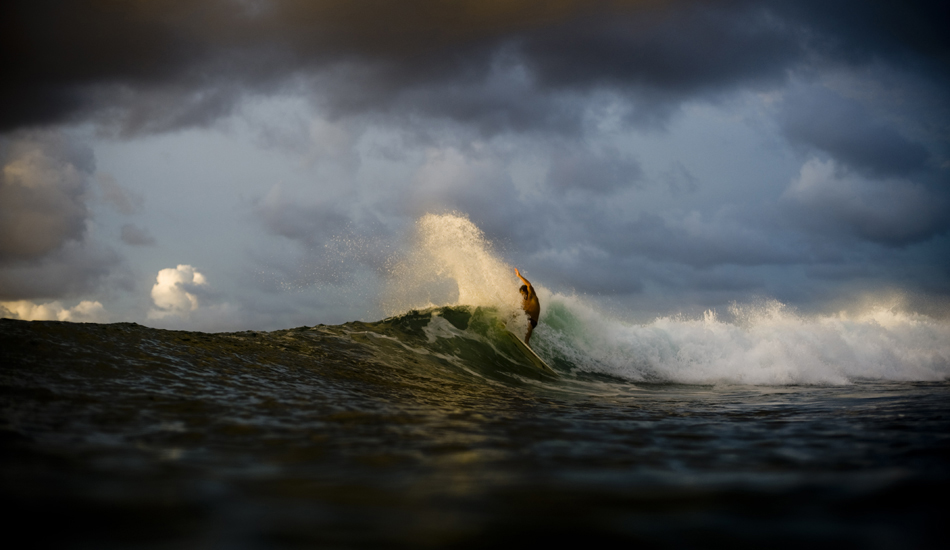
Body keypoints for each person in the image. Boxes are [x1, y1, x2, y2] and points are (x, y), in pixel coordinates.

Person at [515, 268, 540, 344]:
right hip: (526, 319)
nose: (523, 295)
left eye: (524, 293)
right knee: (514, 312)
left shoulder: (532, 296)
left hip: (533, 321)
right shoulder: (524, 301)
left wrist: (519, 276)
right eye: (522, 294)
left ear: (527, 291)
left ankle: (526, 343)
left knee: (529, 323)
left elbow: (528, 285)